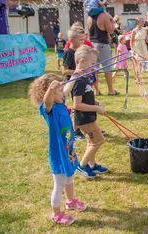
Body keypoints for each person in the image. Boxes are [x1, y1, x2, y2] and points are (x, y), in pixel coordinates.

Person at [28, 73, 86, 225]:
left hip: (68, 151)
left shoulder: (60, 103)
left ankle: (71, 201)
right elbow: (47, 101)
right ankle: (56, 213)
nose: (63, 93)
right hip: (59, 154)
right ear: (50, 93)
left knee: (69, 177)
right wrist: (51, 90)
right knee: (59, 184)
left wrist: (76, 74)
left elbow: (66, 89)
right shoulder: (49, 109)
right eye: (58, 91)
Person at [72, 45, 109, 178]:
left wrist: (96, 103)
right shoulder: (78, 81)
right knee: (98, 140)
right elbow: (77, 105)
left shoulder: (85, 77)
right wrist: (96, 108)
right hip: (84, 119)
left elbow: (86, 98)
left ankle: (92, 165)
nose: (94, 66)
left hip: (88, 117)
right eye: (92, 63)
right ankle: (81, 166)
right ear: (82, 62)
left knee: (91, 141)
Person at [62, 26, 87, 141]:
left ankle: (87, 128)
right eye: (80, 40)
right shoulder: (68, 52)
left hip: (82, 81)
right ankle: (76, 130)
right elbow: (64, 71)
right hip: (73, 84)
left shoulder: (80, 51)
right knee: (77, 107)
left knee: (86, 103)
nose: (83, 42)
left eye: (83, 39)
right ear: (71, 40)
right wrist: (76, 72)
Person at [87, 8, 117, 96]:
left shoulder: (89, 17)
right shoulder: (104, 16)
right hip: (102, 44)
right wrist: (111, 20)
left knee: (94, 68)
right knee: (107, 67)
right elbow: (110, 30)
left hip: (92, 44)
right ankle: (111, 90)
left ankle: (96, 91)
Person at [131, 17, 148, 82]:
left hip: (143, 46)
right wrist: (132, 49)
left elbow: (146, 39)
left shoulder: (144, 30)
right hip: (136, 47)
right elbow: (131, 41)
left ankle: (138, 76)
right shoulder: (134, 30)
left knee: (141, 63)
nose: (143, 23)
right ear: (138, 22)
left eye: (143, 21)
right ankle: (137, 77)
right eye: (142, 22)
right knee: (137, 62)